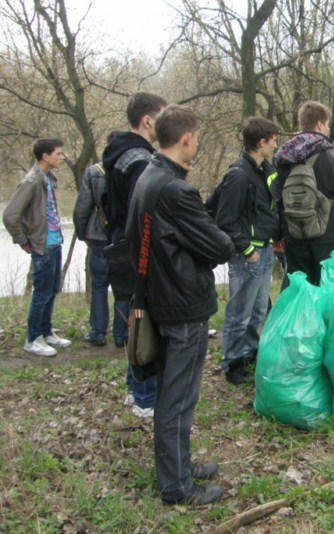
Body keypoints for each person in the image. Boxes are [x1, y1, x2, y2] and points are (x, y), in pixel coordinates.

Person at [126, 104, 234, 506]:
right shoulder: (176, 190)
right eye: (198, 138)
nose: (197, 145)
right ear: (187, 138)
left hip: (163, 296)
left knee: (176, 393)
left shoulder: (149, 175)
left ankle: (179, 466)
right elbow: (219, 246)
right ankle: (176, 486)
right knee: (178, 396)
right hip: (181, 303)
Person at [103, 92, 167, 417]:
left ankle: (134, 388)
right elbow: (142, 215)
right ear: (147, 121)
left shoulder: (119, 153)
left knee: (134, 319)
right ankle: (145, 398)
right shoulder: (140, 160)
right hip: (136, 250)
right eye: (162, 117)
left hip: (121, 244)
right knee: (144, 320)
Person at [213, 118, 281, 385]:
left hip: (265, 251)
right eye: (273, 140)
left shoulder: (264, 170)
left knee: (259, 309)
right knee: (239, 313)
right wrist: (247, 249)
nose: (276, 145)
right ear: (261, 142)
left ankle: (250, 352)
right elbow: (225, 220)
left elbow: (266, 211)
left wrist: (275, 238)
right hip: (247, 256)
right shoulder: (239, 174)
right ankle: (232, 362)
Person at [273, 100, 334, 285]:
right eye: (327, 125)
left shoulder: (283, 156)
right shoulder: (332, 156)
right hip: (327, 237)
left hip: (293, 236)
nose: (327, 129)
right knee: (326, 290)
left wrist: (278, 234)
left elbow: (277, 198)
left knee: (298, 290)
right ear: (319, 124)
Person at [3, 138, 71, 357]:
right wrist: (23, 241)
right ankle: (32, 339)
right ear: (45, 156)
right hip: (42, 245)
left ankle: (46, 332)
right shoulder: (32, 181)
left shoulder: (47, 178)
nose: (62, 157)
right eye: (58, 153)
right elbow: (10, 215)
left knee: (52, 289)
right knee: (41, 292)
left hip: (54, 242)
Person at [73, 132, 123, 347]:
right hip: (123, 238)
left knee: (100, 285)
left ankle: (97, 332)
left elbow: (82, 207)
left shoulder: (94, 172)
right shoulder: (132, 170)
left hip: (99, 236)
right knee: (124, 287)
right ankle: (122, 335)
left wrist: (83, 233)